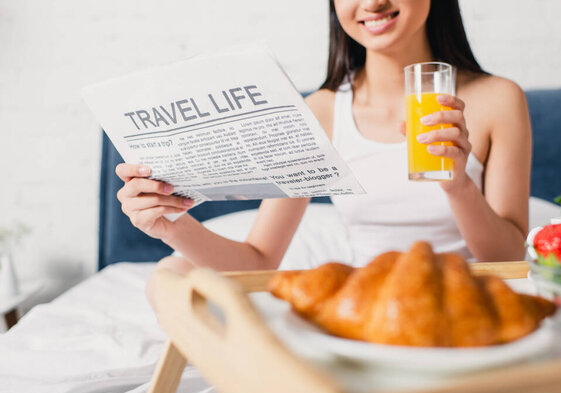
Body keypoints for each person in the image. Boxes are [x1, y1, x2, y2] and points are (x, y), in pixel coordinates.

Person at [115, 0, 531, 293]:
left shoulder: (498, 99)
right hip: (369, 302)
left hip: (468, 299)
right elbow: (258, 262)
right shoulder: (321, 112)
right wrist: (169, 225)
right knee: (173, 274)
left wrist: (458, 185)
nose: (373, 2)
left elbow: (513, 260)